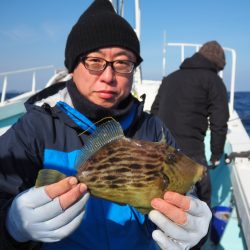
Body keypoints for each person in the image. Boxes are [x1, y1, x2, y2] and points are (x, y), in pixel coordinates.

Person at [0, 1, 211, 250]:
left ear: (133, 70)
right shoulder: (36, 128)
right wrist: (10, 227)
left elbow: (182, 199)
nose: (108, 76)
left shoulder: (154, 129)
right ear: (73, 66)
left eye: (122, 63)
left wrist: (192, 231)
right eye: (94, 60)